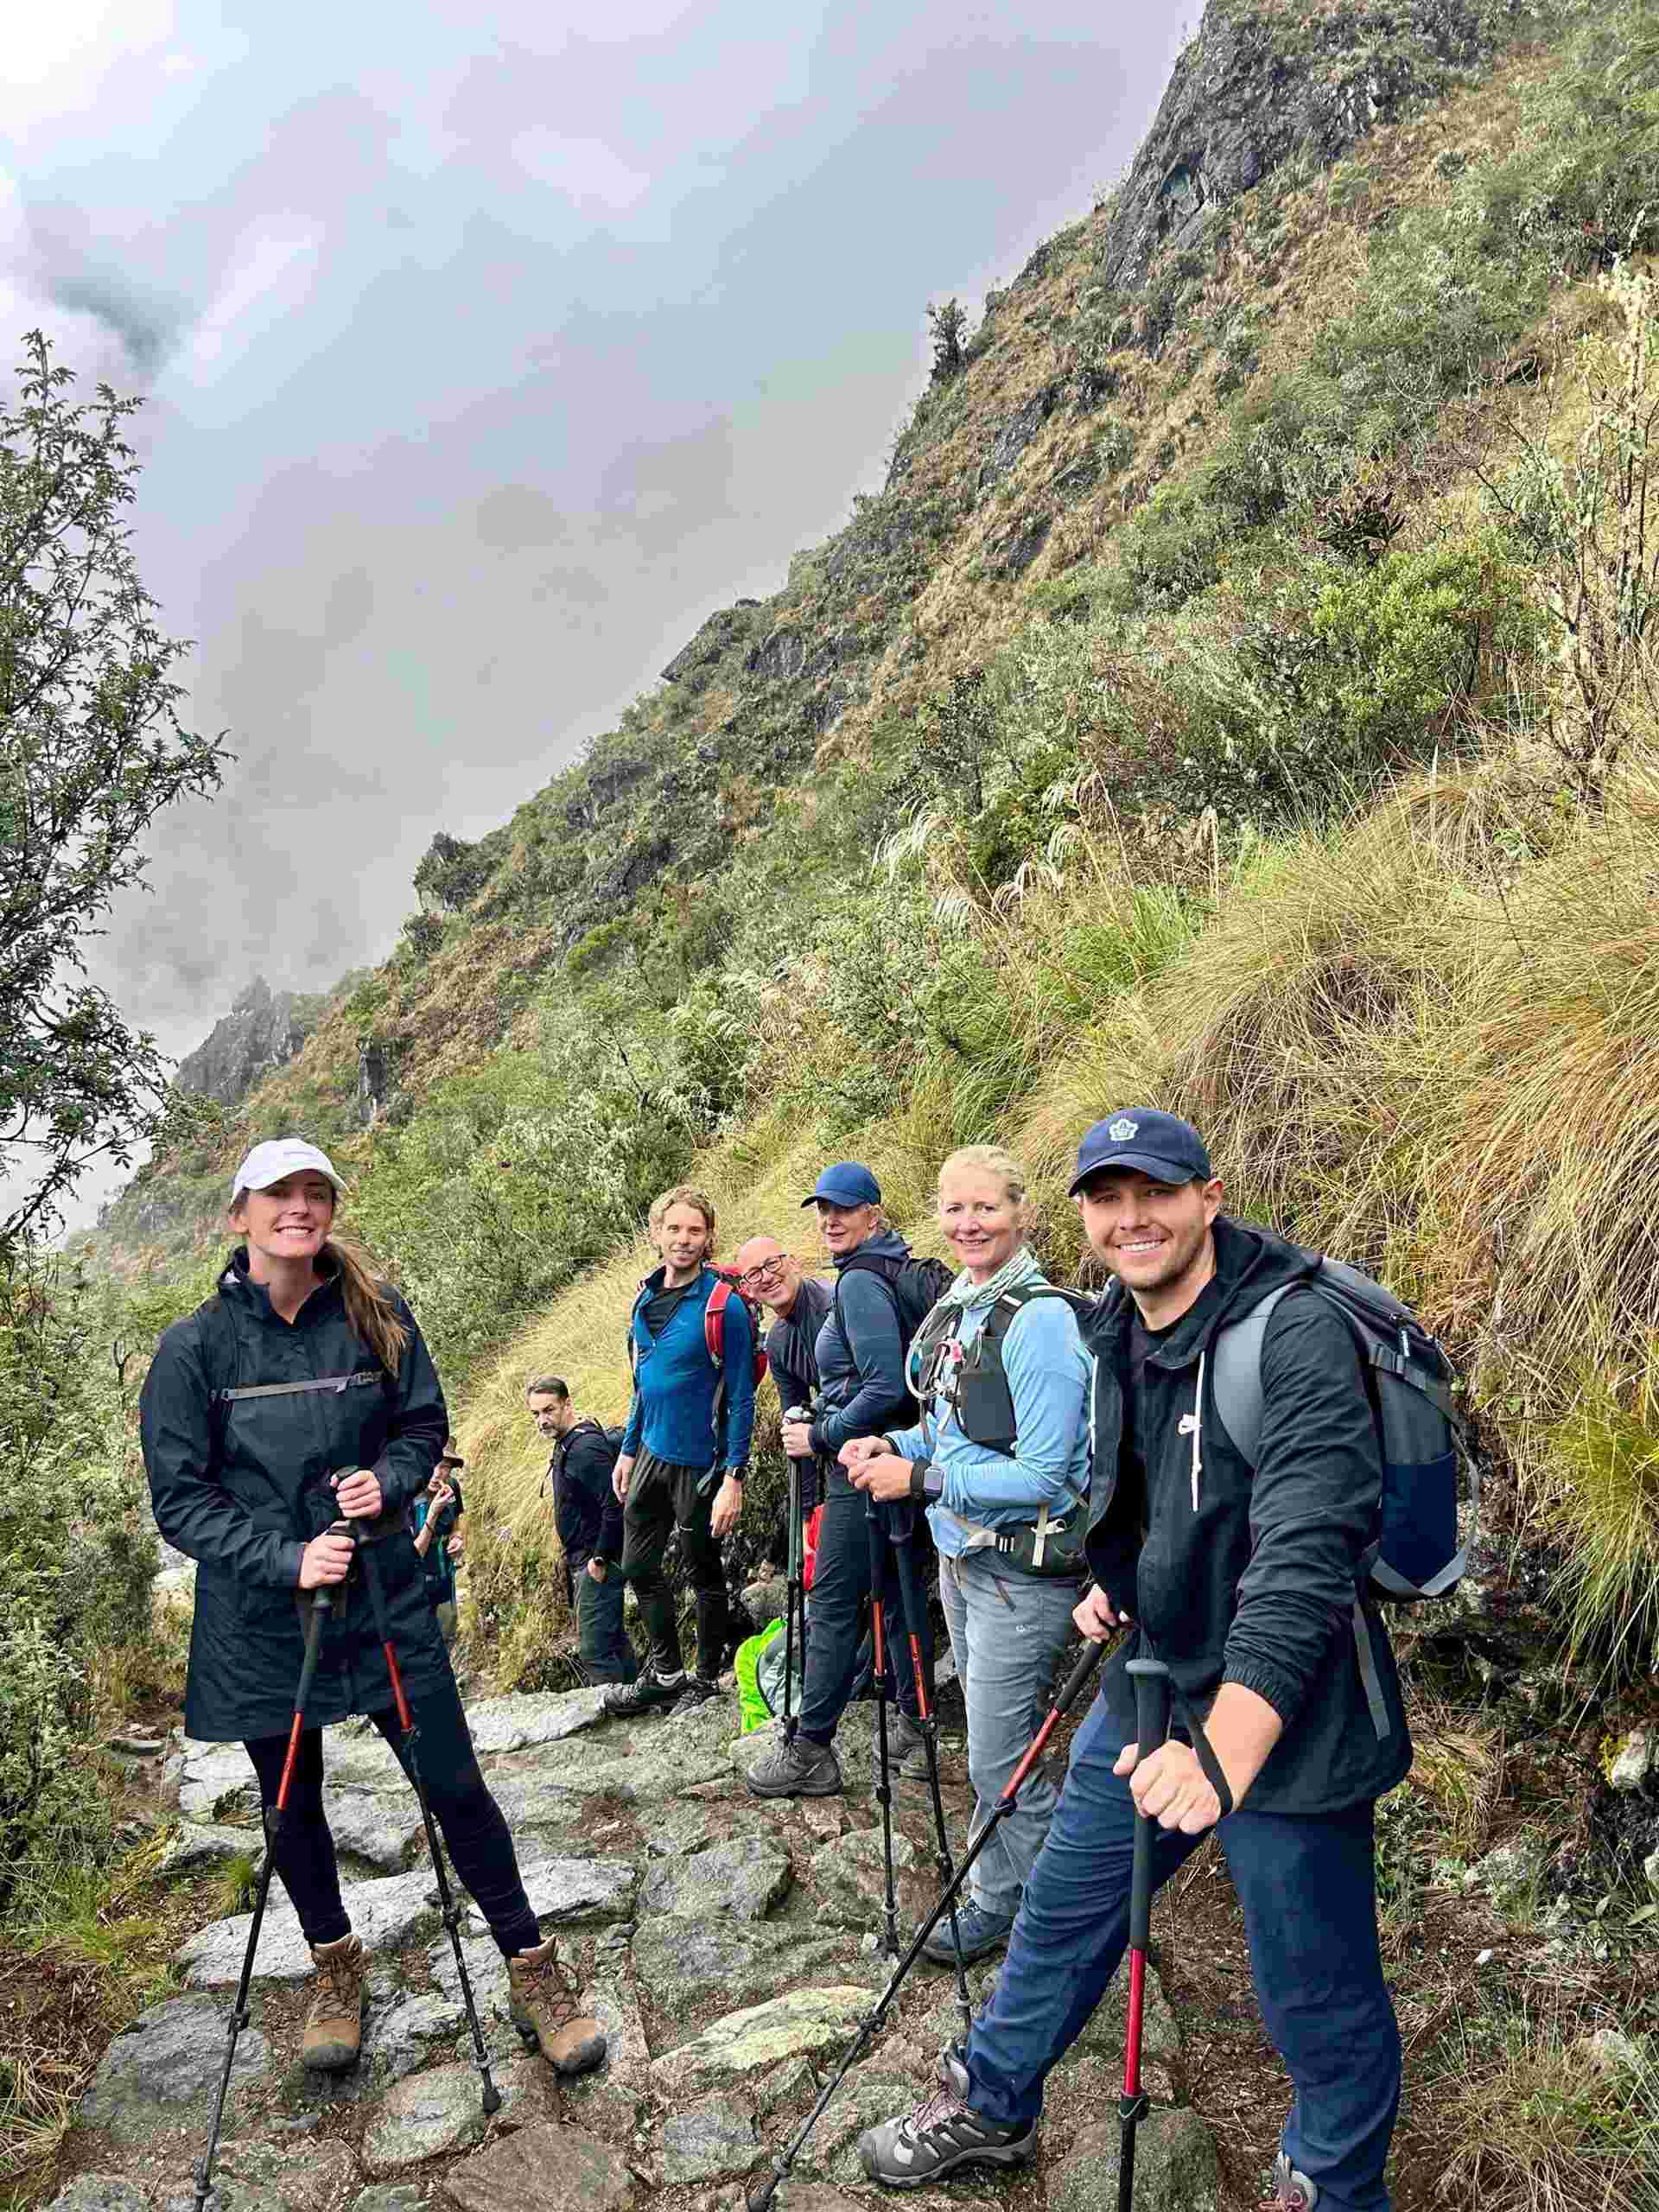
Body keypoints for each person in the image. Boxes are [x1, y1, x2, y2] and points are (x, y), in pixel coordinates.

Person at [859, 1111, 1411, 2212]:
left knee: (1313, 1983)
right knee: (1068, 1901)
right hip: (1155, 1675)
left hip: (1286, 1707)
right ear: (1082, 1217)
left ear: (1208, 1195)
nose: (1130, 1217)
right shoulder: (1113, 1322)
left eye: (1152, 1192)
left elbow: (1307, 1549)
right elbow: (1150, 1485)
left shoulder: (1289, 1332)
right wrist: (1125, 1576)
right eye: (1106, 1199)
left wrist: (1226, 1748)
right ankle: (996, 2099)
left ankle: (1335, 2189)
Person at [141, 1139, 605, 2082]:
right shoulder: (193, 1350)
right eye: (279, 1194)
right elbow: (180, 1497)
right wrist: (285, 1555)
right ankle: (333, 1965)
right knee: (289, 1803)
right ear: (239, 1215)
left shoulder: (375, 1313)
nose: (299, 1207)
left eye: (316, 1192)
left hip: (383, 1595)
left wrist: (386, 1483)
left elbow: (422, 1428)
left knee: (456, 1785)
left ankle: (532, 1967)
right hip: (267, 1615)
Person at [841, 1145, 1090, 1965]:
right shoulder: (965, 1301)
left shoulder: (1041, 1320)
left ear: (1020, 1211)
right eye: (953, 1208)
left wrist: (921, 1476)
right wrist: (894, 1440)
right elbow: (953, 1427)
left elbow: (1049, 1473)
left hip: (1021, 1571)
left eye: (984, 1207)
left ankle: (1033, 1910)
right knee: (996, 1751)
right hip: (964, 1558)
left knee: (1000, 1755)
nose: (967, 1224)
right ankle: (1019, 1897)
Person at [746, 1162, 933, 1798]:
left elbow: (881, 1386)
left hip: (861, 1463)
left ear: (873, 1215)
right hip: (896, 1459)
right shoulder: (887, 1267)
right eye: (823, 1209)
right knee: (900, 1592)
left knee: (830, 1602)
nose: (831, 1219)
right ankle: (916, 1725)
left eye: (845, 1209)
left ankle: (811, 1748)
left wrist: (822, 1434)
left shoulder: (856, 1284)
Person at [603, 1184, 754, 1719]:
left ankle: (708, 1677)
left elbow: (740, 1398)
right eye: (674, 1229)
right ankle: (666, 1671)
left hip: (702, 1463)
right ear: (656, 1234)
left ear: (709, 1237)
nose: (683, 1239)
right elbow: (642, 1385)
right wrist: (626, 1450)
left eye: (694, 1230)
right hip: (648, 1454)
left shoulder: (724, 1307)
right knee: (638, 1566)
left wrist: (734, 1477)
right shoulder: (644, 1299)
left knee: (702, 1572)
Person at [527, 1375, 636, 1687]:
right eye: (535, 1414)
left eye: (549, 1410)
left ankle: (615, 1717)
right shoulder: (567, 1444)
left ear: (567, 1405)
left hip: (595, 1561)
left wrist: (599, 1559)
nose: (542, 1421)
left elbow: (613, 1505)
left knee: (595, 1650)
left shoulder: (584, 1448)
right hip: (584, 1559)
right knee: (612, 1638)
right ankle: (637, 1702)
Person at [411, 1443, 465, 1647]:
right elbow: (414, 1554)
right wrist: (433, 1514)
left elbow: (457, 1521)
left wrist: (456, 1538)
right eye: (432, 1464)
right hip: (417, 1587)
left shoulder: (452, 1487)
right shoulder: (409, 1495)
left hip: (444, 1579)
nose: (436, 1473)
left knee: (446, 1635)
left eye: (443, 1466)